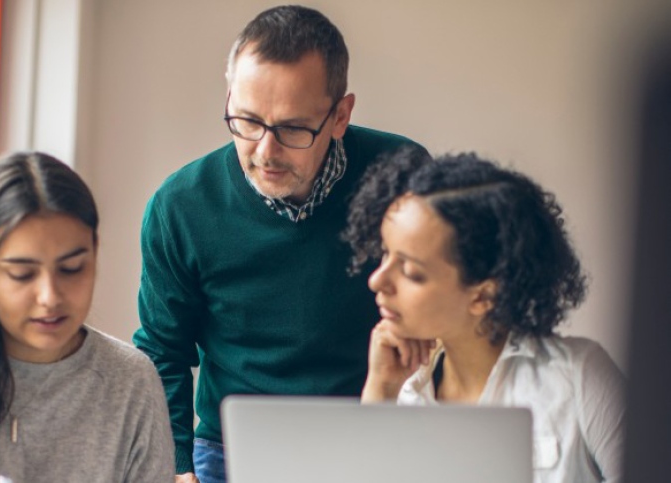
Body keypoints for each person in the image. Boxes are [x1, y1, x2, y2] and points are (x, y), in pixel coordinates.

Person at [133, 5, 428, 482]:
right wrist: (177, 466)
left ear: (340, 116)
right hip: (229, 446)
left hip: (372, 421)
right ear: (229, 96)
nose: (265, 152)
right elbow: (162, 351)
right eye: (247, 121)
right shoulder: (180, 206)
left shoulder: (403, 174)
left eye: (292, 128)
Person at [344, 147, 625, 483]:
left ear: (482, 296)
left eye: (410, 271)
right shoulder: (405, 394)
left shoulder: (580, 377)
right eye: (385, 254)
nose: (377, 280)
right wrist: (380, 392)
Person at [0, 152, 175, 482]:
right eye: (23, 274)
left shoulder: (130, 382)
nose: (50, 297)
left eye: (72, 269)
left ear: (95, 252)